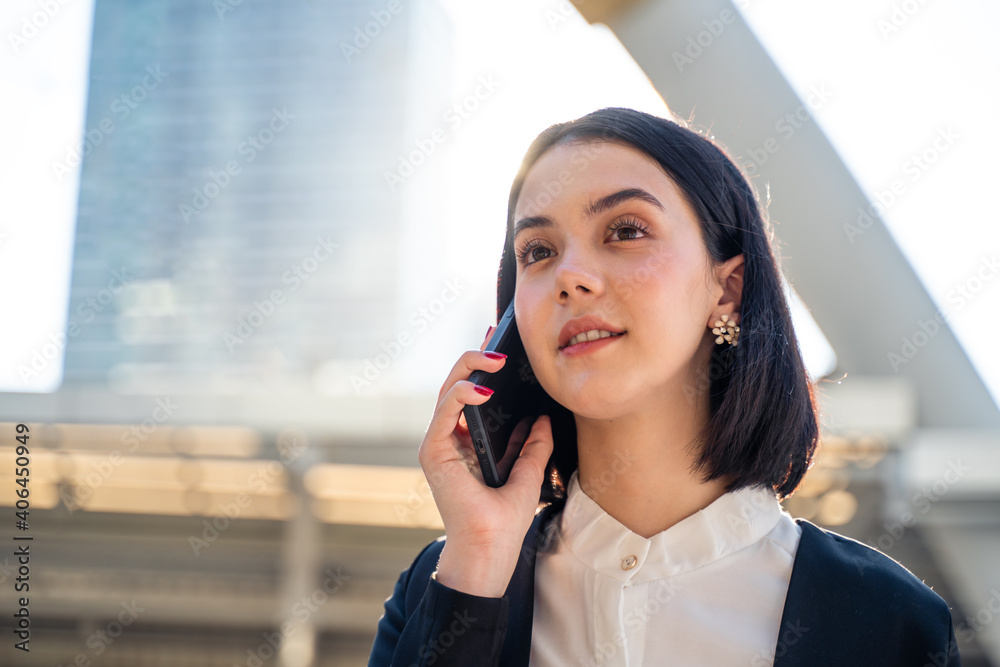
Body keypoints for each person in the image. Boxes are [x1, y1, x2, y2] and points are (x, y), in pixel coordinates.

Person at [367, 107, 961, 666]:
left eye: (625, 230)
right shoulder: (440, 585)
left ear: (726, 290)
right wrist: (475, 571)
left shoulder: (888, 620)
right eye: (538, 251)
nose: (569, 277)